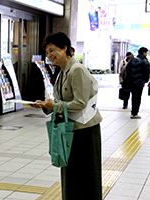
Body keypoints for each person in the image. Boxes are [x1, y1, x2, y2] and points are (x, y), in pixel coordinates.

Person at [33, 32, 102, 200]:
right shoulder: (63, 71)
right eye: (47, 52)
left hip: (84, 131)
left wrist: (54, 106)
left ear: (65, 48)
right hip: (70, 129)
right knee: (70, 173)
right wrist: (46, 105)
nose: (49, 56)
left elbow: (80, 103)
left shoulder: (76, 70)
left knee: (85, 176)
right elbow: (61, 100)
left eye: (52, 51)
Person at [125, 47, 150, 119]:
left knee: (133, 97)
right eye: (146, 52)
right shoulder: (145, 61)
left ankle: (133, 112)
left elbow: (127, 69)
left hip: (132, 82)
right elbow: (147, 72)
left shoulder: (132, 60)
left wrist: (130, 78)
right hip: (139, 83)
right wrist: (145, 80)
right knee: (138, 97)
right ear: (144, 53)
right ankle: (135, 113)